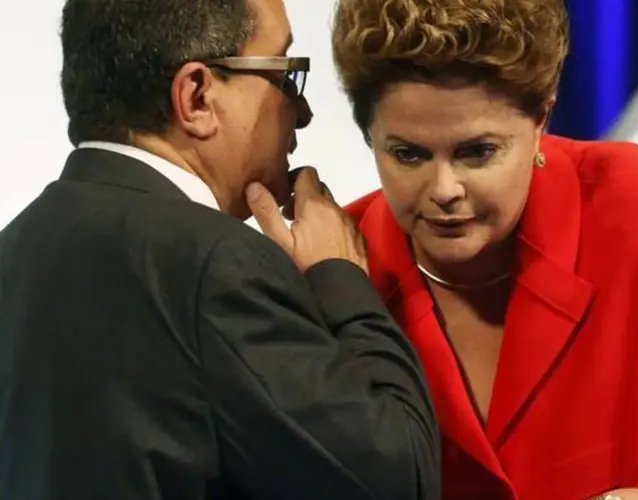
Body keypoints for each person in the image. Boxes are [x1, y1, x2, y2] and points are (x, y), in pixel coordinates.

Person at [0, 0, 441, 499]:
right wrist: (339, 275)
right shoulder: (216, 265)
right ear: (197, 97)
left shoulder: (15, 248)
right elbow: (401, 478)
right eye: (283, 74)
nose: (303, 113)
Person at [332, 0, 638, 498]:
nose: (444, 189)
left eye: (477, 152)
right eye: (408, 154)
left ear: (542, 119)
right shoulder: (339, 269)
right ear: (368, 136)